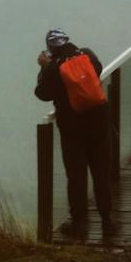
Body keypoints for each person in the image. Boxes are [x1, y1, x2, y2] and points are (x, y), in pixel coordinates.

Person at [33, 28, 117, 241]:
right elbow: (96, 71)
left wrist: (45, 67)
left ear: (50, 48)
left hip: (72, 129)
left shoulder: (54, 68)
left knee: (77, 176)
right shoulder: (87, 54)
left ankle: (79, 224)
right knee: (101, 173)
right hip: (99, 122)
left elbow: (42, 93)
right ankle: (107, 221)